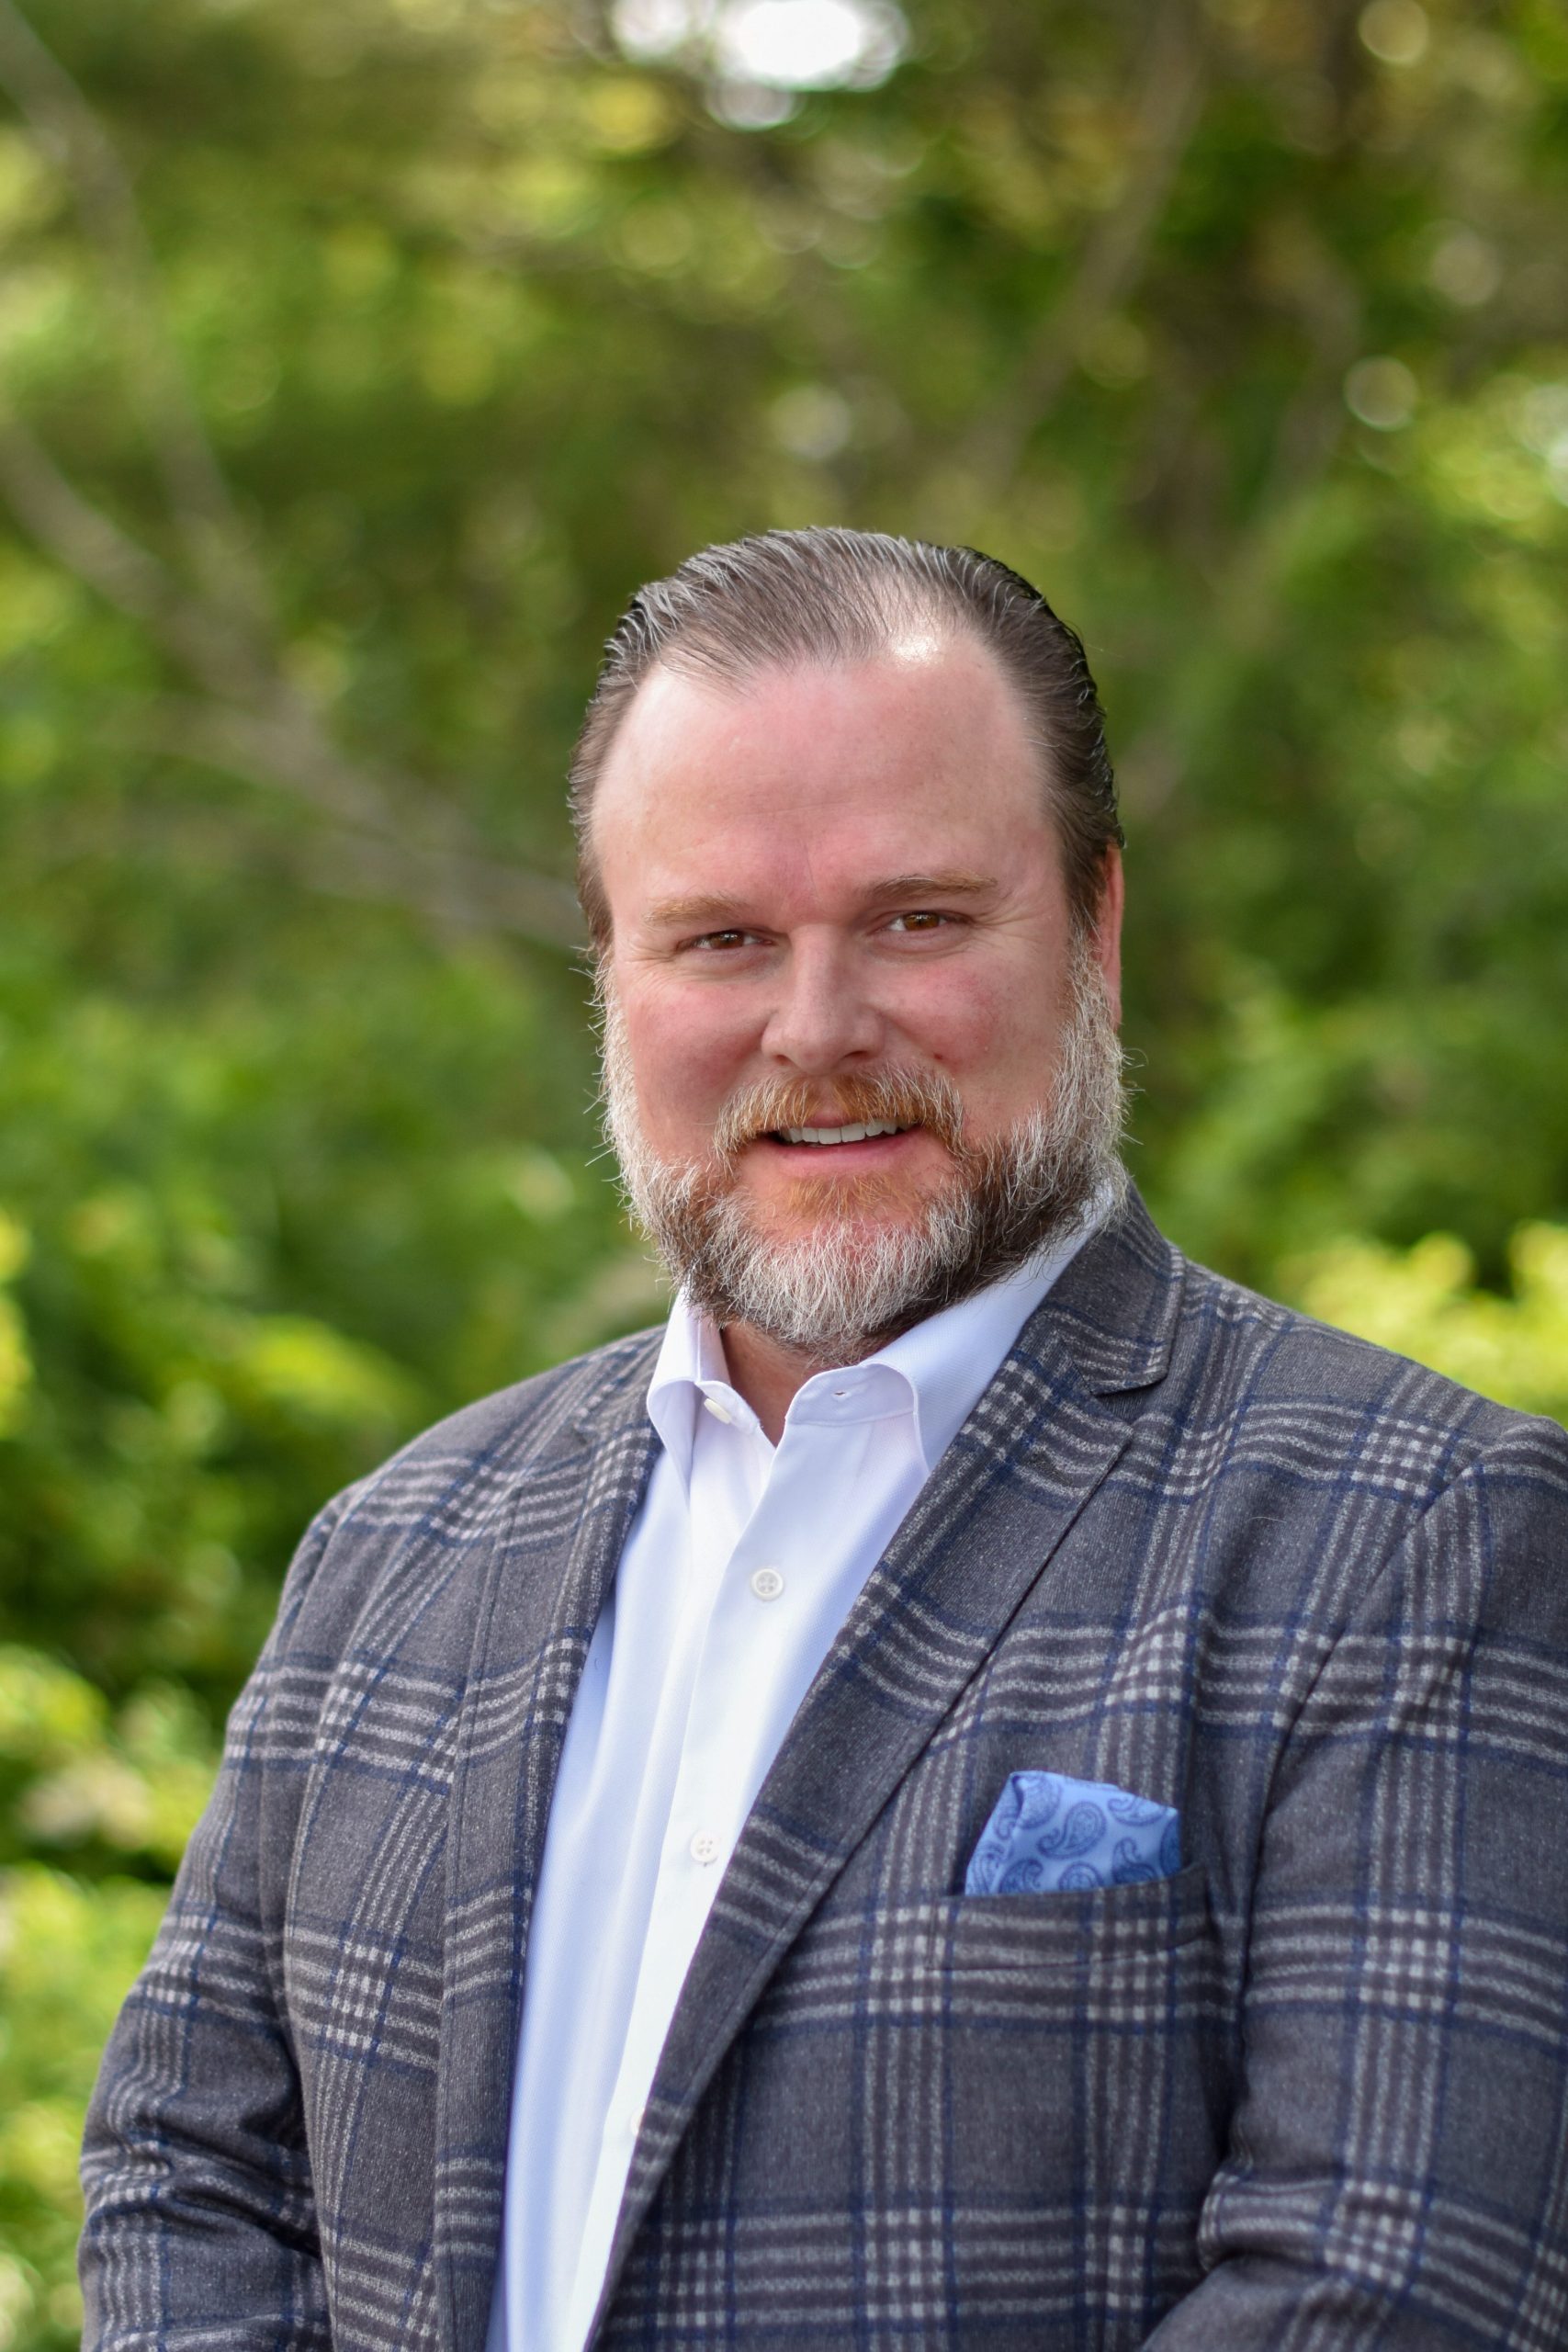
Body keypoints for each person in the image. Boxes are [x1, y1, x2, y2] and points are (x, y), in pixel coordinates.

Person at [81, 528, 1568, 2351]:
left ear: (1094, 925)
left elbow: (1388, 2287)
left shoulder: (1413, 1533)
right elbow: (186, 2175)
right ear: (608, 973)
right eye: (719, 938)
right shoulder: (392, 1548)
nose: (815, 1024)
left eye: (916, 919)